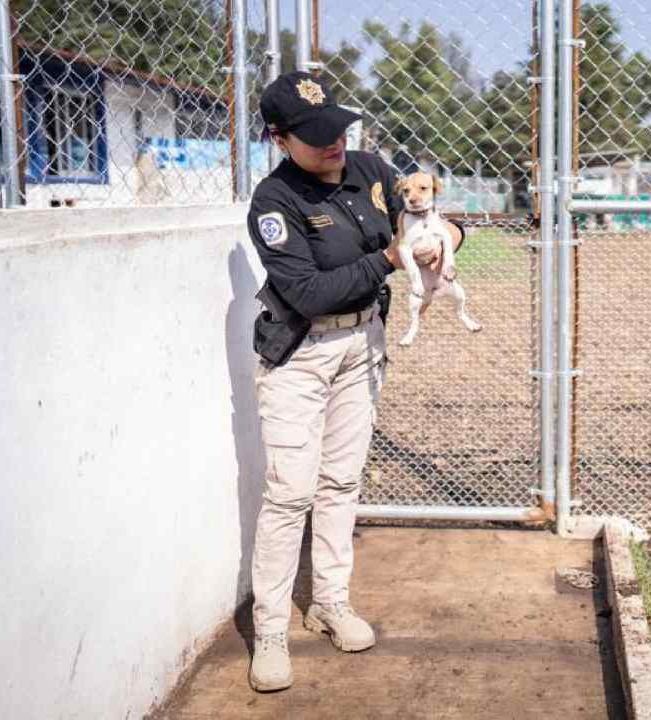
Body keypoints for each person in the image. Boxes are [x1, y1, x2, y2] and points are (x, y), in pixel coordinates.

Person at [244, 71, 464, 693]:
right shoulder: (273, 202)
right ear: (281, 139)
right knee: (290, 494)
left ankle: (330, 603)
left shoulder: (370, 167)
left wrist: (446, 236)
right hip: (302, 354)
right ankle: (270, 632)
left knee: (342, 481)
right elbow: (308, 291)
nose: (335, 142)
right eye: (317, 136)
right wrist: (393, 258)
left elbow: (429, 217)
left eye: (338, 127)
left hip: (364, 342)